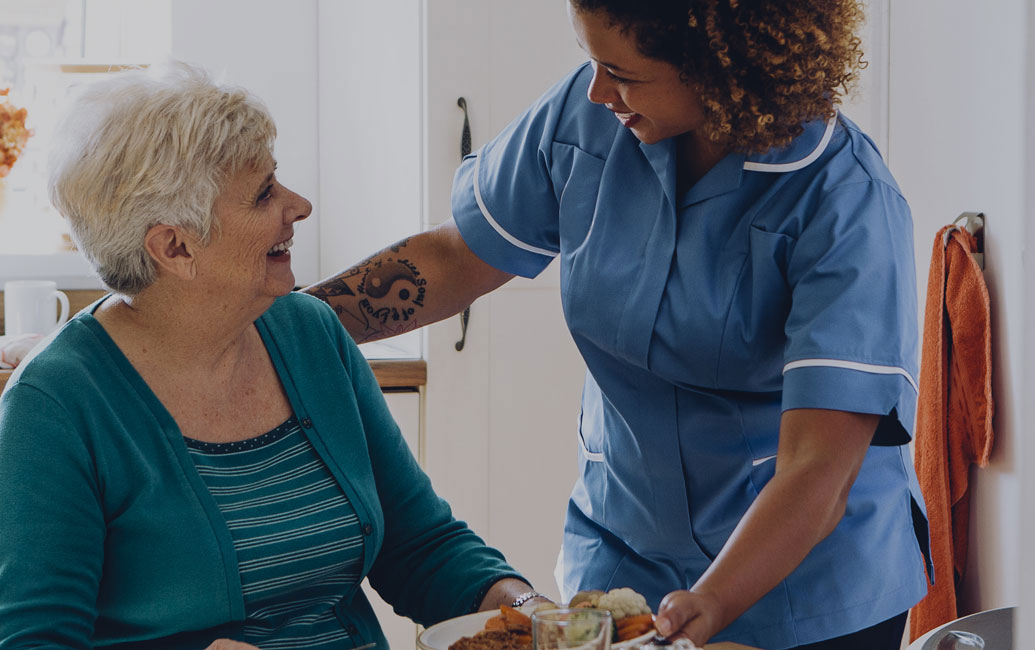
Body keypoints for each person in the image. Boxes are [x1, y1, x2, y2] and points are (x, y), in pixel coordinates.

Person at [305, 2, 927, 649]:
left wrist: (713, 600)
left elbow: (817, 467)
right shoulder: (589, 116)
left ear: (719, 67)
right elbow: (455, 256)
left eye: (622, 73)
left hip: (804, 589)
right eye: (592, 60)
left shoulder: (845, 199)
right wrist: (290, 320)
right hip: (623, 561)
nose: (596, 90)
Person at [0, 61, 542, 650]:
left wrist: (530, 612)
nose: (299, 206)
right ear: (175, 246)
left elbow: (420, 546)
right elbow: (27, 641)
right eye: (264, 194)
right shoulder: (54, 406)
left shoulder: (310, 334)